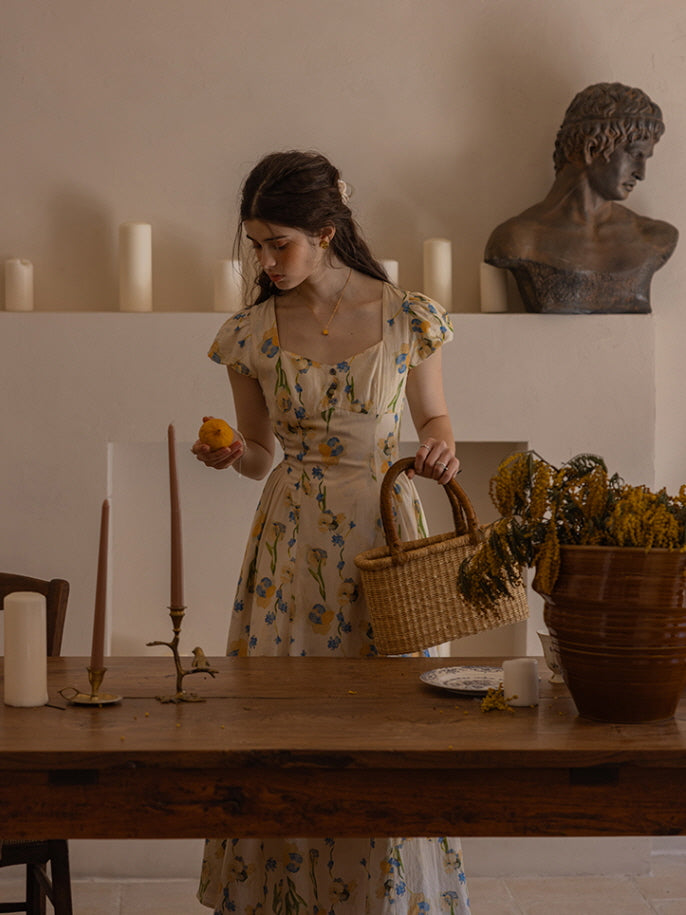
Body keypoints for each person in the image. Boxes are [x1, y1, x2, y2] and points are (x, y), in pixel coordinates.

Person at [192, 150, 470, 914]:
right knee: (284, 722)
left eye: (279, 242)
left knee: (392, 723)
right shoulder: (248, 333)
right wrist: (227, 454)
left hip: (387, 533)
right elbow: (258, 455)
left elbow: (434, 417)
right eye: (256, 244)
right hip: (289, 543)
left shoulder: (404, 313)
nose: (266, 259)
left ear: (326, 229)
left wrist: (441, 443)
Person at [485, 82, 678, 313]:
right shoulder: (517, 240)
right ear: (591, 149)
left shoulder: (654, 239)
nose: (641, 173)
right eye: (636, 155)